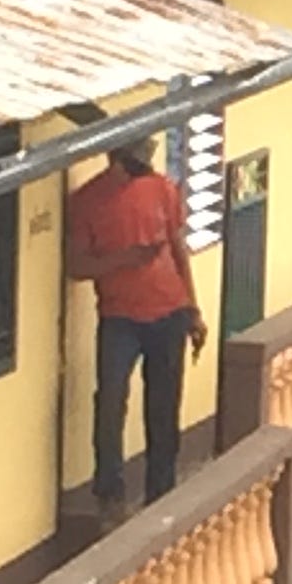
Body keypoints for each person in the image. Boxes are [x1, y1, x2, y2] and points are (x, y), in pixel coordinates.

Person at [66, 138, 206, 511]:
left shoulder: (162, 189)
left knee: (164, 405)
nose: (144, 171)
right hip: (119, 317)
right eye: (136, 164)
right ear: (116, 161)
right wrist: (124, 260)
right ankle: (109, 489)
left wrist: (193, 308)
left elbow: (178, 248)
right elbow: (76, 266)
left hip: (169, 311)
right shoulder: (86, 202)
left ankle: (161, 489)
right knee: (111, 401)